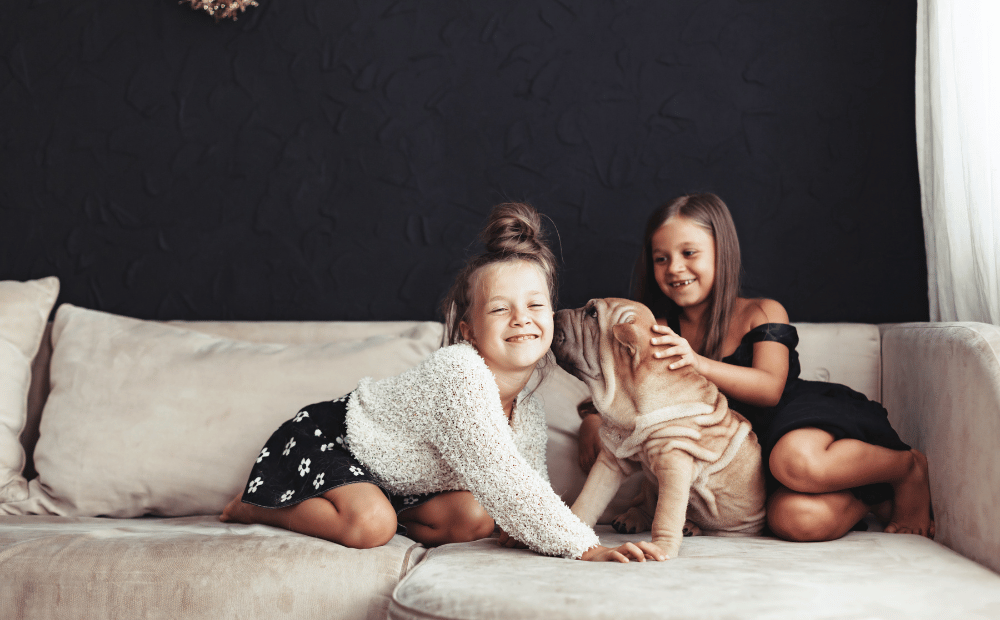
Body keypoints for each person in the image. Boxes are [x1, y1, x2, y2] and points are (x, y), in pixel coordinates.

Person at [222, 202, 665, 562]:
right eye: (499, 309)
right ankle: (255, 505)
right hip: (333, 440)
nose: (522, 319)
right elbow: (501, 474)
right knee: (371, 527)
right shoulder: (459, 373)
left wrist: (529, 531)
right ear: (468, 329)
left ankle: (377, 508)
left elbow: (526, 481)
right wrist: (584, 547)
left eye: (536, 304)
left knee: (478, 517)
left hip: (394, 484)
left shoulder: (527, 403)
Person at [577, 193, 933, 542]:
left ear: (722, 252)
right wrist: (592, 418)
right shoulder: (658, 327)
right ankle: (866, 496)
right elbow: (626, 384)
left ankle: (906, 468)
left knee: (793, 460)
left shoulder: (761, 312)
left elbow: (769, 389)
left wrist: (698, 362)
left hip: (794, 423)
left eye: (689, 253)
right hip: (740, 463)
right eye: (661, 258)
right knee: (796, 521)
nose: (674, 268)